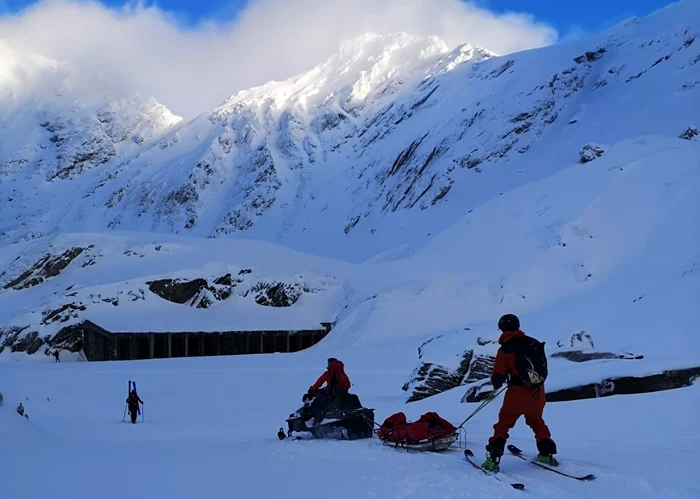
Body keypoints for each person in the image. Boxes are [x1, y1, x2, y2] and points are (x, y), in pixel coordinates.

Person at [482, 314, 557, 472]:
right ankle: (546, 453)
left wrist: (498, 383)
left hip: (516, 394)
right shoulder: (533, 343)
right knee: (536, 421)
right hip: (537, 393)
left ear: (502, 328)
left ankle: (493, 460)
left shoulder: (505, 350)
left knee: (503, 424)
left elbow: (497, 378)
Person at [306, 358, 351, 425]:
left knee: (318, 403)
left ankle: (317, 421)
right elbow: (348, 384)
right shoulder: (341, 373)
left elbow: (319, 382)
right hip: (342, 395)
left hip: (331, 395)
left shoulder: (328, 373)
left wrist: (312, 389)